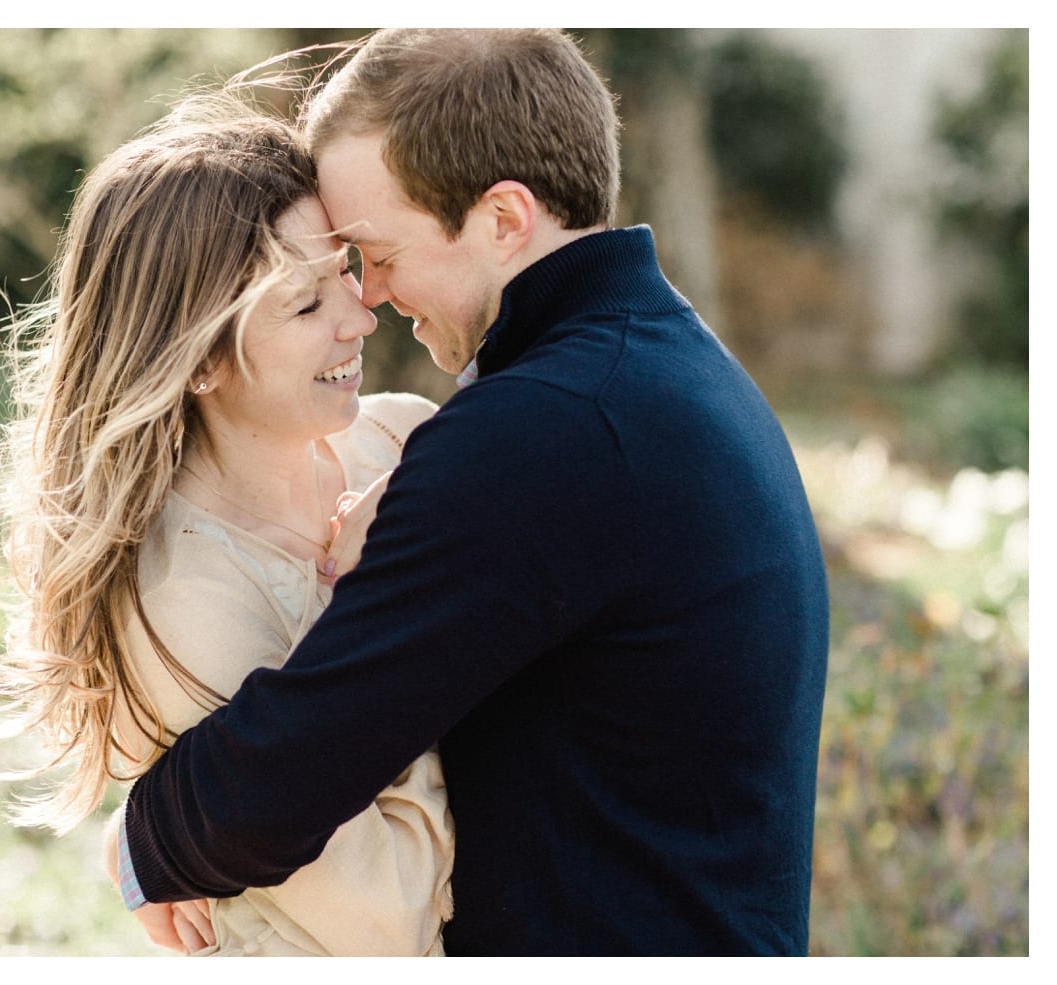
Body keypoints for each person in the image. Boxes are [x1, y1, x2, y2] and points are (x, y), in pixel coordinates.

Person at [113, 28, 830, 956]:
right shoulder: (668, 361)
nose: (368, 295)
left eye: (375, 250)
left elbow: (290, 772)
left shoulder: (539, 432)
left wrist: (139, 841)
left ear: (501, 219)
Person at [0, 96, 454, 955]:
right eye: (305, 304)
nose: (361, 316)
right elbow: (391, 918)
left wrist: (141, 842)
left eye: (347, 270)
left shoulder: (403, 438)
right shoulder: (193, 607)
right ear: (199, 360)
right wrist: (363, 597)